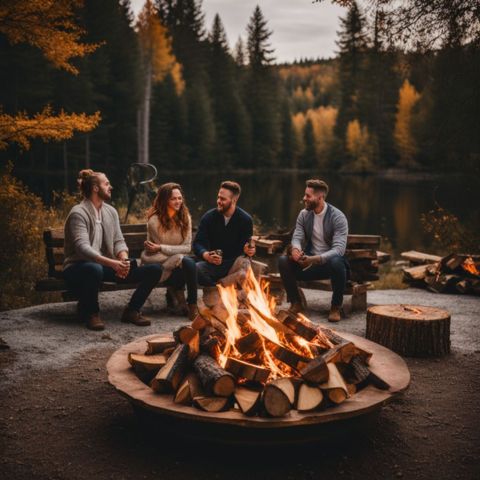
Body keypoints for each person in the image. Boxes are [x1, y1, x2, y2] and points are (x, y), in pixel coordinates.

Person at [63, 169, 162, 331]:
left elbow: (119, 241)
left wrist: (122, 260)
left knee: (154, 270)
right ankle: (92, 313)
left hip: (103, 266)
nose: (111, 187)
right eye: (106, 184)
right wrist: (113, 264)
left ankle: (132, 310)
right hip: (77, 268)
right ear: (95, 188)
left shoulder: (111, 211)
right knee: (94, 269)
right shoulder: (78, 213)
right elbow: (82, 249)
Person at [278, 179, 349, 322]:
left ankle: (335, 307)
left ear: (320, 198)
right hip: (310, 264)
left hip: (330, 266)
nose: (304, 198)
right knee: (283, 261)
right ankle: (296, 303)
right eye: (305, 195)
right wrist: (296, 250)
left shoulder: (338, 216)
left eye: (308, 196)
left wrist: (315, 259)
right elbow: (297, 237)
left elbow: (339, 249)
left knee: (337, 262)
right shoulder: (304, 214)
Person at [141, 182, 198, 320]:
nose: (178, 201)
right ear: (164, 200)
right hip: (158, 263)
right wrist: (168, 252)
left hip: (173, 262)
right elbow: (159, 253)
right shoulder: (154, 221)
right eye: (173, 199)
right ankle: (179, 300)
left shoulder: (186, 218)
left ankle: (192, 306)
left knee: (188, 263)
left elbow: (187, 248)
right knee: (185, 261)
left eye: (179, 198)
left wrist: (161, 247)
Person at [193, 181, 255, 286]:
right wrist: (207, 255)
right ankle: (217, 289)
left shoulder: (246, 220)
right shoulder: (208, 217)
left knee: (246, 265)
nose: (218, 201)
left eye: (223, 199)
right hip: (212, 264)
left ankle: (222, 288)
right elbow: (197, 243)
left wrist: (249, 251)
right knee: (195, 269)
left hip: (234, 265)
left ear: (234, 200)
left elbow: (246, 249)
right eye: (218, 197)